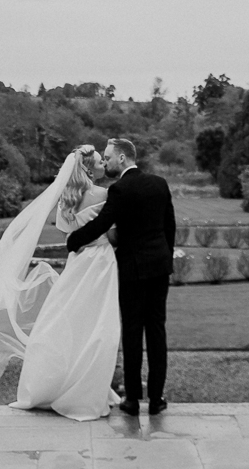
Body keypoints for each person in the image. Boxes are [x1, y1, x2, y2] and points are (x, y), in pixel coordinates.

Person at [0, 145, 121, 420]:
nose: (104, 164)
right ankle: (88, 388)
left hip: (77, 262)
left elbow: (65, 229)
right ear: (90, 168)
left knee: (64, 321)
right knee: (98, 325)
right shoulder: (104, 194)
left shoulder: (66, 199)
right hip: (100, 263)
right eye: (100, 162)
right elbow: (113, 229)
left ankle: (49, 385)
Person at [66, 137, 177, 415]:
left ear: (123, 159)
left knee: (131, 333)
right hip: (159, 268)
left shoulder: (120, 190)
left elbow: (101, 224)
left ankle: (131, 401)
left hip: (133, 271)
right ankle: (156, 399)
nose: (106, 162)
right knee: (157, 332)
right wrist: (164, 258)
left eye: (108, 157)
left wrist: (73, 240)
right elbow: (169, 227)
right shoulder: (159, 184)